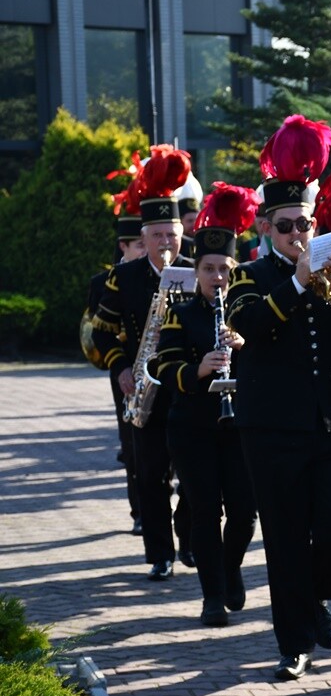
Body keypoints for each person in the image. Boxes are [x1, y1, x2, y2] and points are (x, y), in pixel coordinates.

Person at [226, 115, 331, 681]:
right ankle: (294, 643)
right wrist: (297, 282)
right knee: (285, 536)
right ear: (266, 228)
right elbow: (248, 325)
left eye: (304, 223)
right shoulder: (248, 277)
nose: (297, 232)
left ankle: (317, 594)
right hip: (272, 428)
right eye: (285, 225)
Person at [149, 188, 259, 627]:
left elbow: (272, 365)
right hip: (192, 426)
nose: (218, 278)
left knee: (245, 513)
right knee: (205, 511)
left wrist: (245, 348)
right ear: (195, 272)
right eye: (209, 270)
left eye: (225, 270)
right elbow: (162, 364)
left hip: (240, 426)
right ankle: (212, 595)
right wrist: (199, 369)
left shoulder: (246, 313)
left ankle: (230, 567)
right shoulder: (181, 313)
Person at [92, 146, 195, 581]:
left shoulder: (195, 271)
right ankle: (160, 553)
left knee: (194, 473)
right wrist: (121, 368)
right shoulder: (123, 277)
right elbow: (101, 331)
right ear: (145, 237)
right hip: (142, 386)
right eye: (159, 236)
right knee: (150, 474)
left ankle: (188, 536)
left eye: (173, 234)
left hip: (188, 385)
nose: (167, 243)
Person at [86, 212, 146, 534]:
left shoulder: (166, 274)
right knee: (132, 442)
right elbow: (97, 331)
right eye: (140, 244)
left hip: (159, 368)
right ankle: (140, 511)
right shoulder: (102, 282)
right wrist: (118, 361)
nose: (147, 249)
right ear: (124, 245)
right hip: (124, 370)